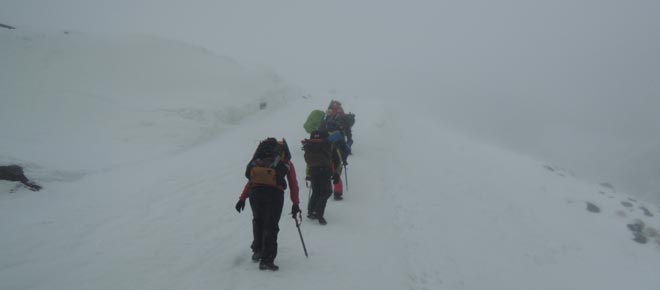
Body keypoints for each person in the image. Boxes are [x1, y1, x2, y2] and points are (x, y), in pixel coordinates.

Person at [235, 138, 301, 271]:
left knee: (258, 221)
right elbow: (293, 184)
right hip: (274, 194)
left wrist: (242, 198)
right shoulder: (286, 162)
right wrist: (295, 204)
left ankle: (258, 250)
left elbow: (252, 181)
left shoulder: (260, 160)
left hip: (255, 193)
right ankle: (267, 259)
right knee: (271, 225)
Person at [301, 130, 341, 225]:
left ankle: (311, 211)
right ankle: (319, 213)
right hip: (325, 170)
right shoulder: (329, 144)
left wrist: (308, 174)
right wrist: (336, 173)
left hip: (313, 170)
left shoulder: (310, 144)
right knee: (326, 192)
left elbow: (308, 162)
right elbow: (337, 160)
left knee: (316, 191)